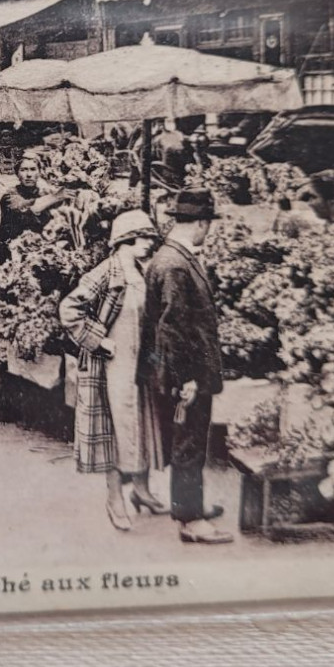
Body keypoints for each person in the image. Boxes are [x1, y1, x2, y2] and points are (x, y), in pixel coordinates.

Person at [58, 209, 165, 532]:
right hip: (112, 366)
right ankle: (114, 497)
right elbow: (69, 308)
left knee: (143, 423)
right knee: (117, 428)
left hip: (140, 363)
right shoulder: (107, 272)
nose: (149, 244)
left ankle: (142, 490)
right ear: (125, 239)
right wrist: (99, 340)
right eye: (144, 238)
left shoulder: (141, 270)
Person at [139, 188, 232, 544]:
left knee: (192, 439)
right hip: (187, 374)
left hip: (185, 370)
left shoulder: (171, 256)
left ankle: (191, 505)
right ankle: (190, 520)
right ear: (202, 224)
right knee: (189, 441)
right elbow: (172, 328)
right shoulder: (176, 264)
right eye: (208, 225)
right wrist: (187, 379)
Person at [0, 152, 69, 264]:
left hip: (40, 252)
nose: (29, 174)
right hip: (11, 254)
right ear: (17, 173)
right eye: (23, 170)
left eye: (33, 169)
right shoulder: (10, 195)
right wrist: (56, 197)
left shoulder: (45, 193)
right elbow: (25, 208)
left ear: (39, 172)